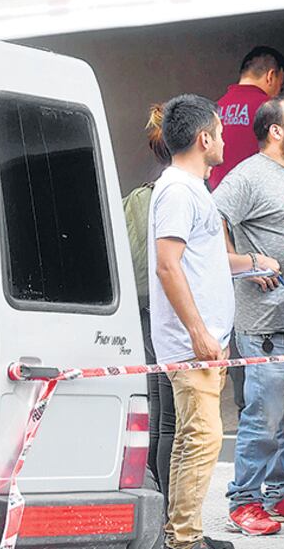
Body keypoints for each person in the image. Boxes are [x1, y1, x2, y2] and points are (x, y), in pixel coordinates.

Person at [214, 94, 284, 536]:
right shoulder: (249, 175)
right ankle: (245, 499)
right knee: (263, 421)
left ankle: (280, 491)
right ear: (276, 132)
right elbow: (210, 218)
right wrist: (244, 262)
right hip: (266, 327)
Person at [149, 94, 243, 549]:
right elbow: (168, 265)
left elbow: (201, 259)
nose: (225, 140)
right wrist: (199, 332)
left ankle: (185, 534)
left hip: (204, 341)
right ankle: (184, 539)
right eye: (221, 132)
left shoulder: (190, 189)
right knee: (203, 439)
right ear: (204, 138)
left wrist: (248, 262)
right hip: (193, 344)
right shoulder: (177, 190)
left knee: (194, 440)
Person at [122, 103, 177, 517]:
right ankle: (176, 518)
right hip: (175, 316)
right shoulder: (182, 196)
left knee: (159, 419)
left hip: (143, 312)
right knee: (176, 424)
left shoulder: (136, 198)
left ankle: (161, 511)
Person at [210, 45, 284, 188]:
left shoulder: (214, 109)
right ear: (270, 76)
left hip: (218, 201)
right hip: (257, 201)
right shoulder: (273, 109)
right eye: (281, 86)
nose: (278, 93)